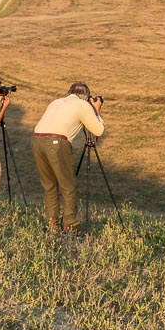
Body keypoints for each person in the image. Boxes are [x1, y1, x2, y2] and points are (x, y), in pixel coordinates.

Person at [31, 82, 105, 233]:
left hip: (37, 140)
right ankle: (70, 226)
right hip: (57, 142)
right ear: (86, 96)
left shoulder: (56, 102)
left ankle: (52, 224)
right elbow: (98, 130)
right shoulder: (82, 105)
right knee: (68, 186)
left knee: (49, 185)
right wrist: (96, 109)